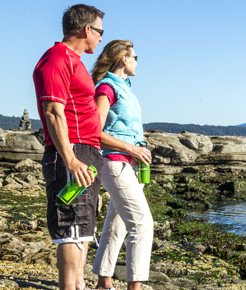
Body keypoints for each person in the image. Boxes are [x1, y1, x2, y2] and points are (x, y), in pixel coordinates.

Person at [32, 4, 105, 290]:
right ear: (86, 29)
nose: (100, 39)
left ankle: (78, 285)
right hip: (71, 152)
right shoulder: (58, 58)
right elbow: (52, 111)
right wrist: (71, 159)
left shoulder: (73, 61)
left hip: (84, 150)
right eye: (99, 32)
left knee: (84, 226)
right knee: (71, 227)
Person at [90, 40, 153, 290]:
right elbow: (95, 131)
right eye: (135, 57)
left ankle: (104, 281)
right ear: (124, 59)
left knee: (116, 223)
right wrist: (131, 148)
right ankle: (134, 287)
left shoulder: (126, 87)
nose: (137, 61)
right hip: (114, 163)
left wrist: (139, 149)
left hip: (130, 164)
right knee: (142, 223)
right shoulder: (107, 87)